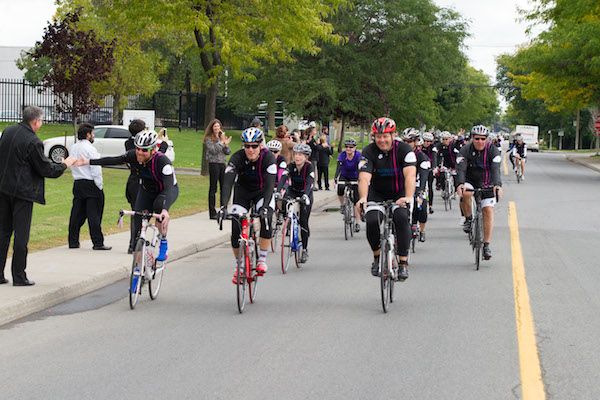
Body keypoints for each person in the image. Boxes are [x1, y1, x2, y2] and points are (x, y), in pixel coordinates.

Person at [0, 106, 76, 286]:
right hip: (22, 193)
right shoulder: (33, 142)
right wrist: (64, 164)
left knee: (3, 232)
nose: (41, 124)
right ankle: (19, 276)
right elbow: (46, 169)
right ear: (35, 122)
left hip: (3, 188)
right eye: (41, 121)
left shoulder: (8, 131)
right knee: (21, 235)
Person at [81, 130, 179, 265]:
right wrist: (88, 161)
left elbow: (168, 187)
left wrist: (165, 210)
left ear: (153, 150)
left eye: (144, 150)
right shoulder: (134, 155)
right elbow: (114, 159)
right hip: (146, 190)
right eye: (138, 149)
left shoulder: (163, 162)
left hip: (165, 191)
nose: (139, 153)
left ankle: (163, 241)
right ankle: (138, 268)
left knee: (158, 208)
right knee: (137, 221)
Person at [356, 117, 417, 281]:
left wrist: (409, 197)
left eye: (385, 136)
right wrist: (363, 198)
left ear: (393, 135)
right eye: (378, 136)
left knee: (401, 217)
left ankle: (403, 262)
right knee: (372, 220)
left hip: (400, 192)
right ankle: (377, 256)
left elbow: (410, 175)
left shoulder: (405, 150)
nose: (382, 140)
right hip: (377, 193)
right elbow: (364, 178)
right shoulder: (368, 151)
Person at [220, 128, 276, 283]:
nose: (250, 150)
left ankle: (262, 259)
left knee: (266, 219)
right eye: (247, 146)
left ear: (260, 146)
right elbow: (227, 183)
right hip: (242, 192)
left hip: (262, 191)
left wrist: (265, 207)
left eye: (254, 146)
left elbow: (271, 185)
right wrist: (223, 206)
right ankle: (239, 266)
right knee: (235, 227)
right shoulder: (237, 158)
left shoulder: (268, 158)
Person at [455, 125, 503, 260]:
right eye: (477, 139)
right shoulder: (465, 150)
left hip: (487, 182)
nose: (480, 142)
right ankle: (469, 218)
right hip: (470, 180)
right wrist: (460, 184)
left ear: (487, 139)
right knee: (466, 193)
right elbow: (461, 169)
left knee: (487, 210)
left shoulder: (493, 151)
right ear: (472, 138)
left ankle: (486, 245)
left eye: (483, 139)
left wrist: (497, 185)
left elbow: (495, 169)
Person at [68, 123, 110, 250]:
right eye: (92, 133)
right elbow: (95, 167)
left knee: (76, 213)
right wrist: (99, 185)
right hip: (91, 182)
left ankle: (73, 241)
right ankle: (97, 242)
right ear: (88, 134)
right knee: (94, 214)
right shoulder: (90, 149)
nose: (93, 136)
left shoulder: (73, 147)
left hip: (78, 182)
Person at [277, 143, 314, 263]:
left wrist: (305, 195)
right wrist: (278, 191)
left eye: (300, 155)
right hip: (293, 192)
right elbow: (283, 178)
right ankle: (287, 220)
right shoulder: (291, 166)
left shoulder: (309, 167)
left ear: (306, 157)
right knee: (282, 201)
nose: (297, 157)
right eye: (296, 154)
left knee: (303, 221)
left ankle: (304, 250)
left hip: (305, 193)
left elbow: (310, 182)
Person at [403, 129, 430, 242]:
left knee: (422, 206)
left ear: (415, 142)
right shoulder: (400, 154)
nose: (406, 144)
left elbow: (424, 176)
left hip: (419, 183)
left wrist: (420, 191)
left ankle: (422, 230)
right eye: (405, 141)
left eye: (409, 141)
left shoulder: (422, 157)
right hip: (404, 184)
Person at [124, 119, 146, 253]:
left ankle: (135, 242)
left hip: (132, 181)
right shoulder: (137, 147)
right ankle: (134, 243)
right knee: (138, 213)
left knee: (136, 212)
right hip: (140, 182)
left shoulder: (128, 143)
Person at [204, 118, 232, 220]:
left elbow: (228, 152)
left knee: (224, 188)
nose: (217, 128)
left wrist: (226, 144)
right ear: (212, 128)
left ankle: (224, 210)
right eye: (215, 126)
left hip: (222, 164)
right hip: (213, 164)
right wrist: (221, 142)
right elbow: (213, 150)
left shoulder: (222, 137)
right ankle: (212, 213)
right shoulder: (208, 139)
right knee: (213, 188)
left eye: (218, 126)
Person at [334, 138, 361, 232]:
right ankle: (342, 205)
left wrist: (360, 179)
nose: (349, 149)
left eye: (351, 147)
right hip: (344, 175)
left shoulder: (358, 155)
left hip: (355, 176)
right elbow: (338, 167)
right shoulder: (342, 155)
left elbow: (360, 168)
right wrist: (335, 178)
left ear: (355, 148)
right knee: (340, 188)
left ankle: (357, 222)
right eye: (347, 147)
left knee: (356, 200)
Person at [421, 132, 438, 214]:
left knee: (430, 186)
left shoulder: (433, 148)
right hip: (420, 169)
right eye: (425, 141)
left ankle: (430, 206)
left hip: (430, 169)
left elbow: (434, 158)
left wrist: (434, 167)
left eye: (429, 141)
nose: (427, 143)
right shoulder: (419, 147)